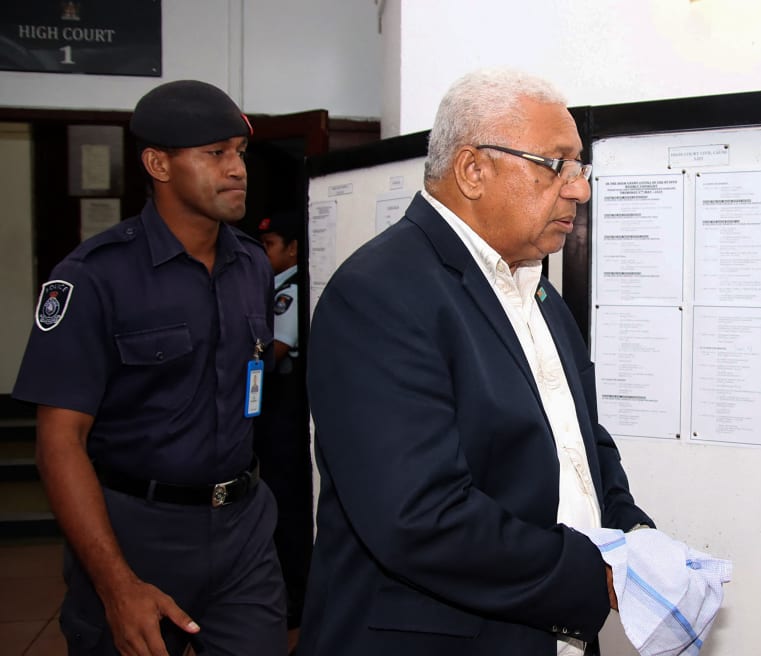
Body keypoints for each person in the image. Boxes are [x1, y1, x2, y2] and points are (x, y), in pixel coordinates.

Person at [299, 68, 654, 656]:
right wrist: (595, 578)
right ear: (472, 170)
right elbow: (421, 518)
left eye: (580, 168)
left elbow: (580, 445)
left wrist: (634, 537)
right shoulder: (381, 292)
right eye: (556, 165)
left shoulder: (535, 292)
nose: (579, 190)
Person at [13, 80, 286, 655]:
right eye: (215, 153)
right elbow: (59, 442)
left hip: (242, 530)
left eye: (239, 151)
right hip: (135, 534)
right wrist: (115, 584)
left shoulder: (251, 268)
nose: (237, 168)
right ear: (158, 163)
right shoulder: (94, 277)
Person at [255, 210, 313, 652]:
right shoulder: (272, 287)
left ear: (293, 249)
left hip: (286, 418)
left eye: (272, 244)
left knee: (290, 508)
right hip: (272, 417)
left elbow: (272, 352)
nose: (264, 251)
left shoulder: (290, 292)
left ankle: (297, 594)